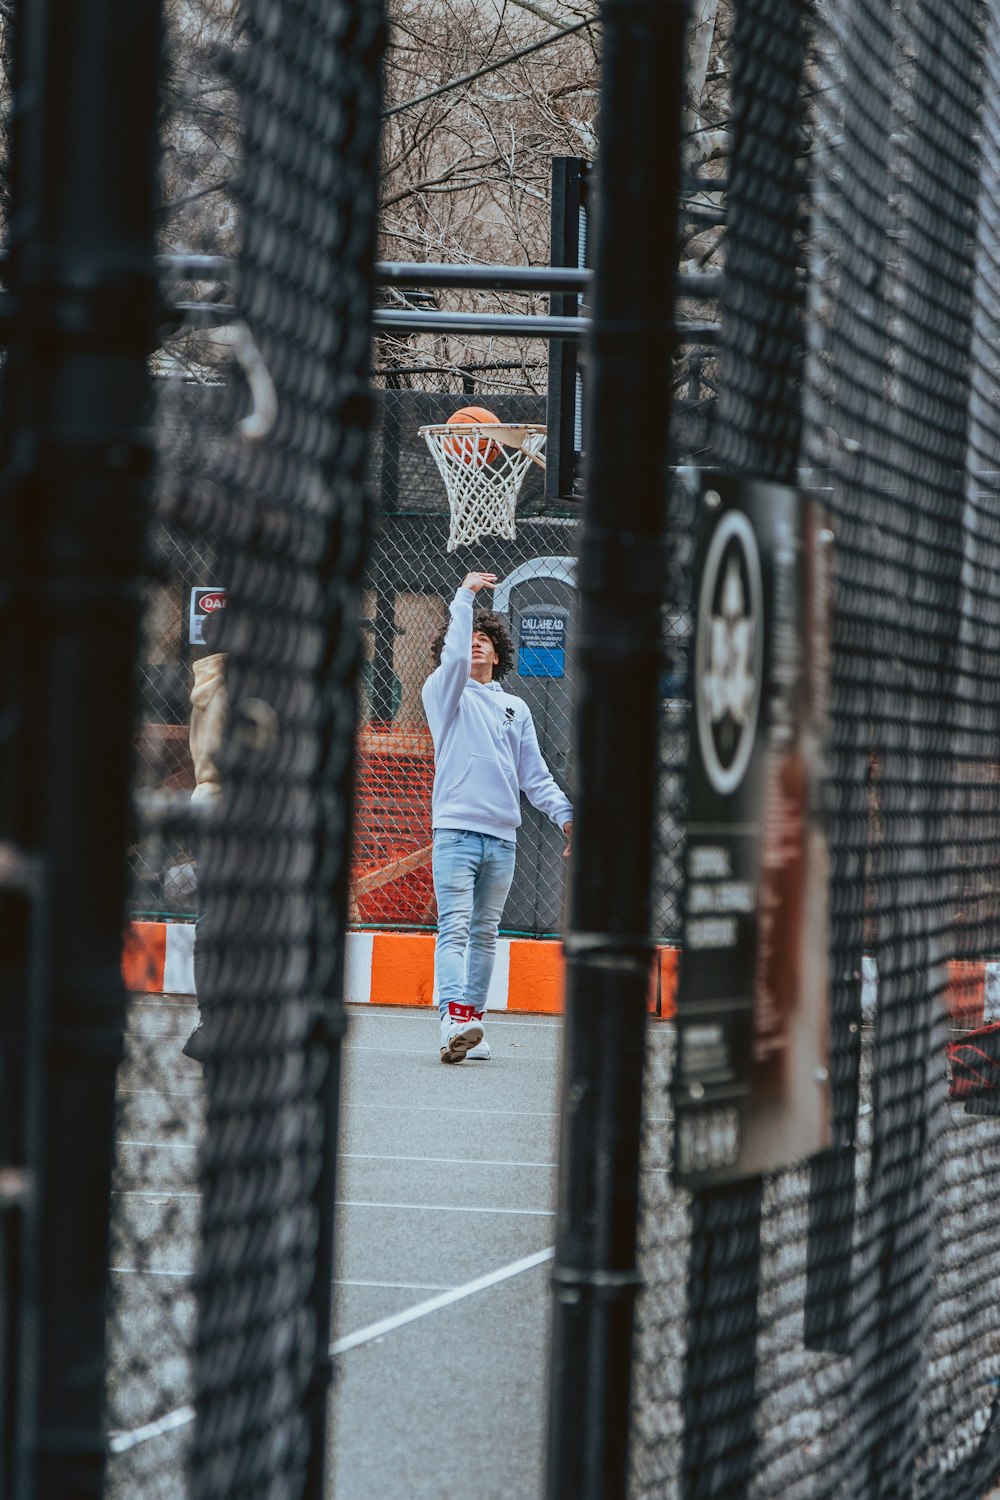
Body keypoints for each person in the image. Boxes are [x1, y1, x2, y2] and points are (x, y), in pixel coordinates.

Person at [422, 570, 573, 1064]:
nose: (477, 647)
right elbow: (455, 657)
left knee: (486, 932)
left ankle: (470, 1022)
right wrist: (463, 597)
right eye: (469, 641)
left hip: (502, 839)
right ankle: (451, 1018)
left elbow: (536, 777)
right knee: (455, 927)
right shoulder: (444, 694)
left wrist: (567, 818)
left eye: (485, 640)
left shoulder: (516, 708)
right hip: (456, 834)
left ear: (499, 652)